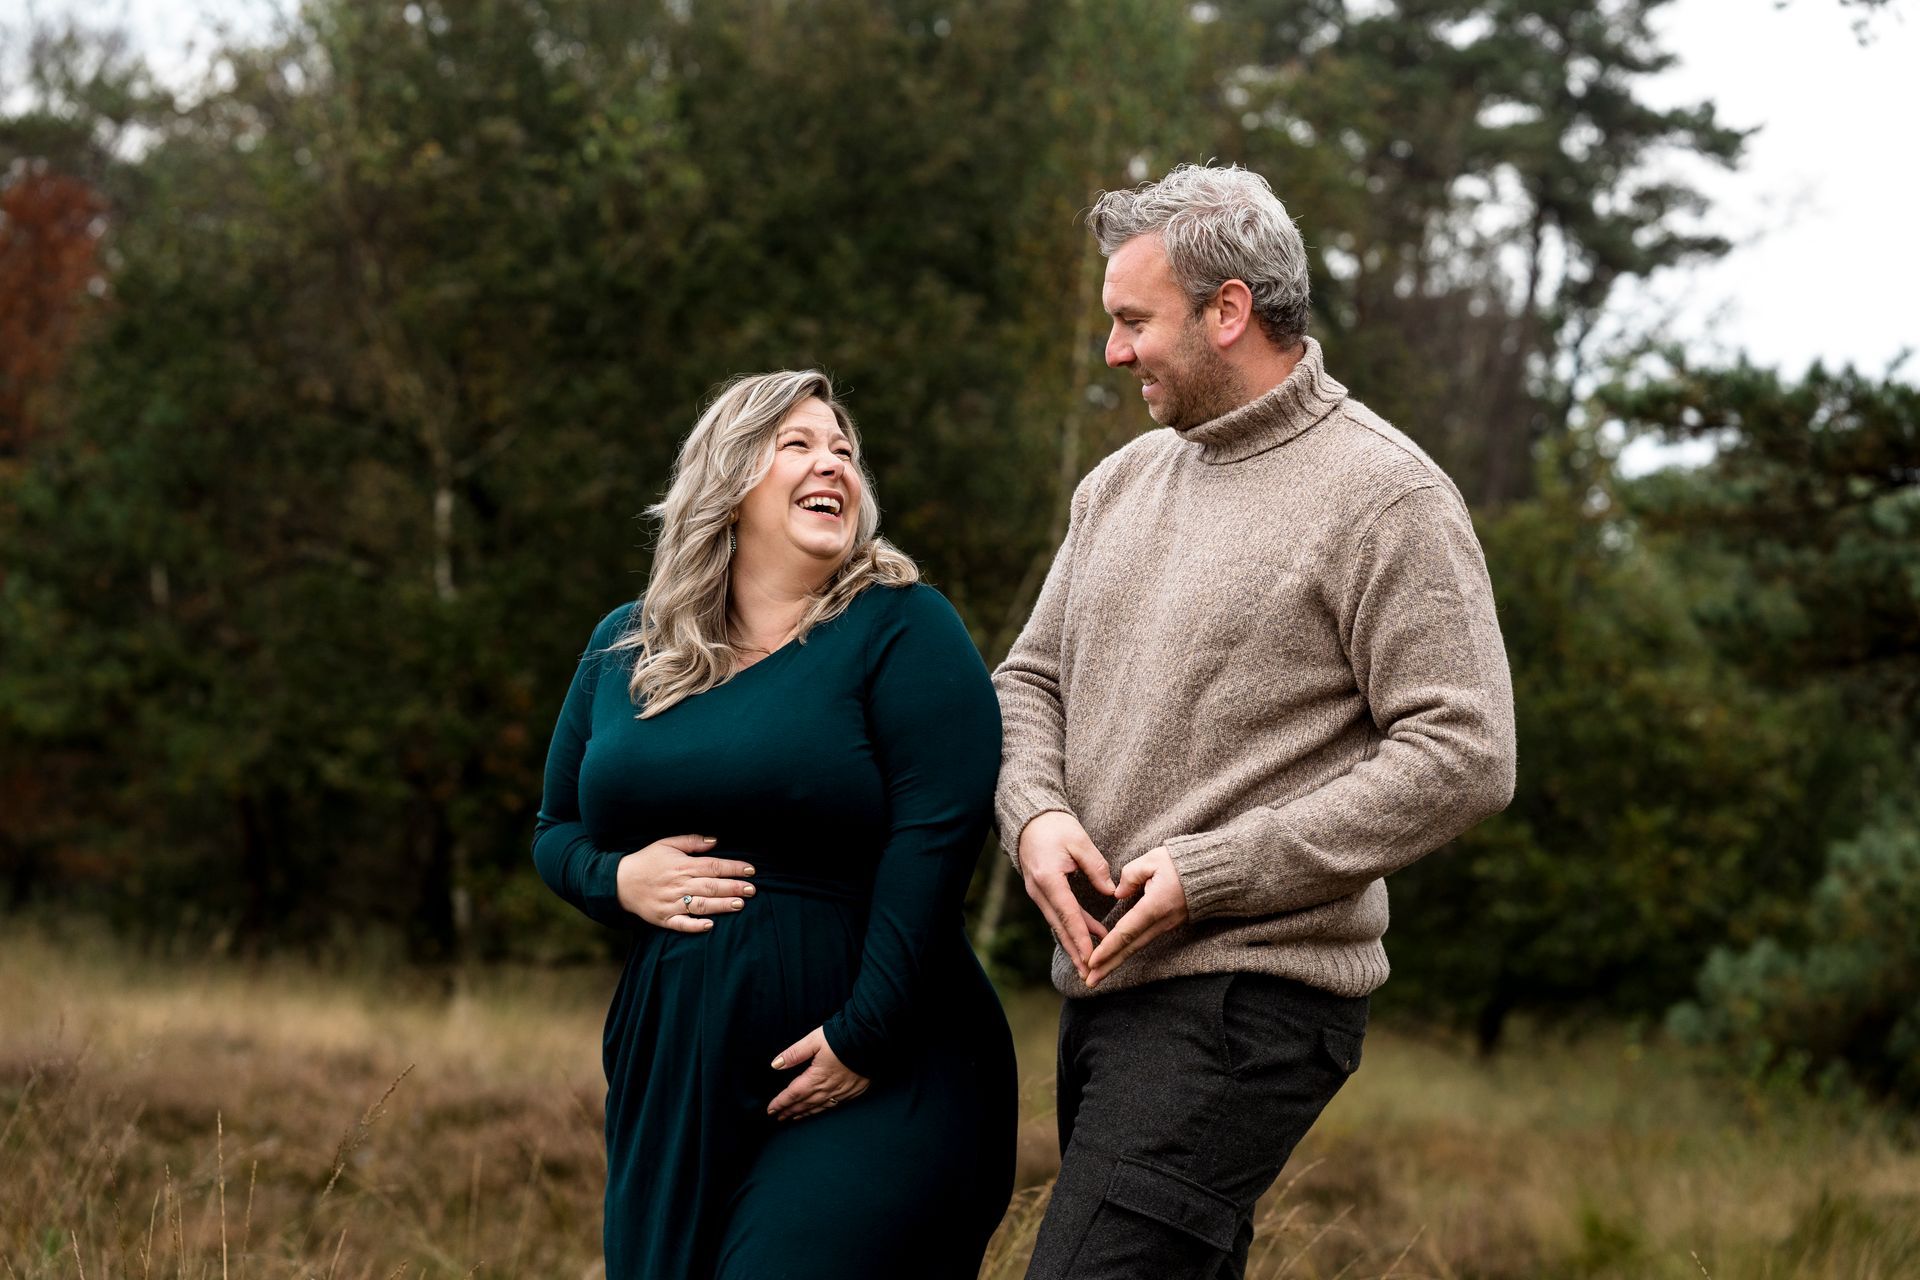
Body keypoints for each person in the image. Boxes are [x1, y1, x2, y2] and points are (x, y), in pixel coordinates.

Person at [994, 163, 1517, 1279]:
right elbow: (1027, 681)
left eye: (1134, 320)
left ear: (1228, 309)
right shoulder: (1118, 484)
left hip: (1249, 1002)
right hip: (1104, 993)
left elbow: (1466, 751)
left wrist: (1213, 873)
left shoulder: (1387, 496)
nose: (1114, 351)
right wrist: (1034, 814)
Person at [533, 370, 1016, 1280]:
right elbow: (555, 829)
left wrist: (865, 1032)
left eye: (844, 450)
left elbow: (938, 837)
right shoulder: (625, 645)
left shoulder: (903, 626)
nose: (832, 463)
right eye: (798, 444)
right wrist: (617, 878)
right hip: (675, 1065)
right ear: (728, 480)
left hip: (881, 1058)